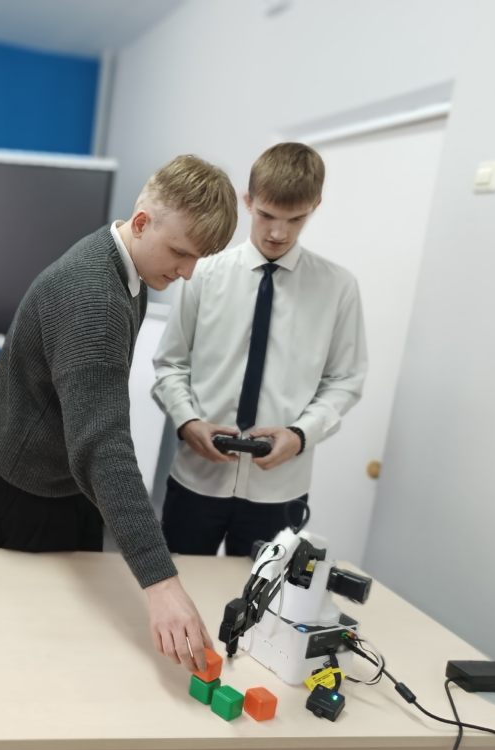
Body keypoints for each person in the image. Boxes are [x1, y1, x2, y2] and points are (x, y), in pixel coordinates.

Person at [0, 155, 238, 673]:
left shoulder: (128, 268)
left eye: (197, 259)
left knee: (78, 621)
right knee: (29, 637)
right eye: (180, 253)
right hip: (24, 486)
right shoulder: (93, 295)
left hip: (60, 471)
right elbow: (102, 444)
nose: (186, 272)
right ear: (141, 222)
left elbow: (93, 429)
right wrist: (162, 582)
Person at [152, 142, 367, 557]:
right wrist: (187, 421)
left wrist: (300, 436)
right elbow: (171, 364)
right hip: (196, 478)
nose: (277, 233)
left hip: (280, 490)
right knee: (178, 583)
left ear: (315, 207)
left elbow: (345, 380)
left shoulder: (338, 288)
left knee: (260, 596)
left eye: (295, 219)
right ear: (248, 201)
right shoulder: (202, 273)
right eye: (267, 214)